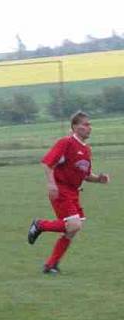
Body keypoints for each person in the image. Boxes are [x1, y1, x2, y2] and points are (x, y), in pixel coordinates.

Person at [27, 111, 110, 274]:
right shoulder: (66, 142)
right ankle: (39, 225)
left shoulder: (86, 150)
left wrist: (99, 179)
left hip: (74, 192)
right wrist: (51, 184)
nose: (89, 128)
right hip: (61, 189)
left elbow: (85, 175)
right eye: (85, 124)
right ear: (75, 127)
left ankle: (51, 265)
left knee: (72, 230)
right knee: (74, 225)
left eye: (90, 124)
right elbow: (47, 163)